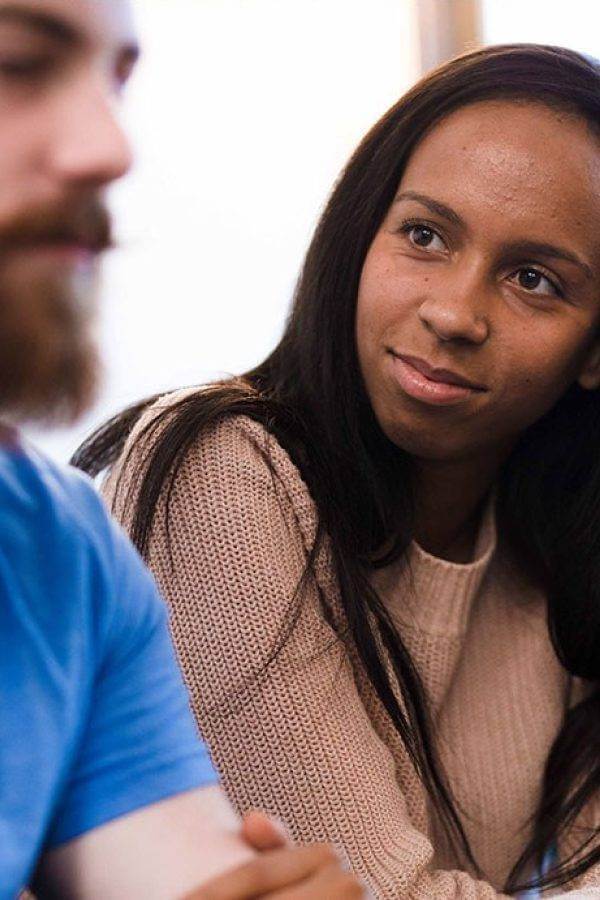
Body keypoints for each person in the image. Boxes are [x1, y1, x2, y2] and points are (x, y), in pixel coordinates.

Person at [75, 43, 600, 899]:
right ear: (361, 237)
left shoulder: (562, 547)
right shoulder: (219, 468)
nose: (453, 313)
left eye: (534, 280)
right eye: (425, 235)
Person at [0, 1, 366, 898]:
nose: (111, 148)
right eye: (16, 63)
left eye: (114, 81)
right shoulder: (225, 466)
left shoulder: (57, 548)